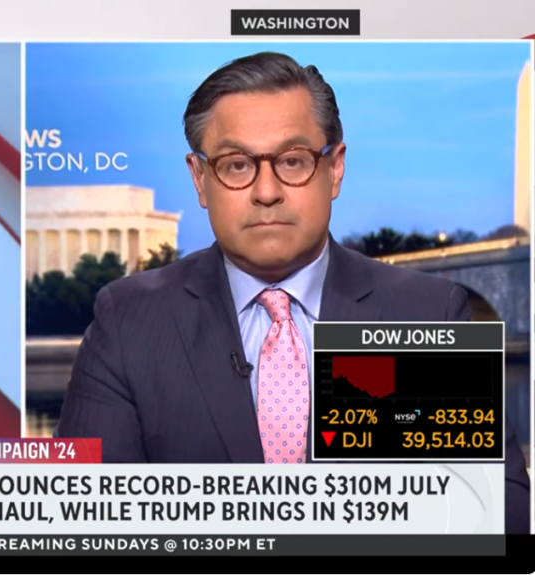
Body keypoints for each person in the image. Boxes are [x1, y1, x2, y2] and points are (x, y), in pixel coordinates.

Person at [55, 52, 530, 533]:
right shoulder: (130, 322)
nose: (267, 191)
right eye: (236, 165)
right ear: (200, 179)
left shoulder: (422, 314)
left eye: (292, 161)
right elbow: (86, 523)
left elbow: (498, 521)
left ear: (335, 168)